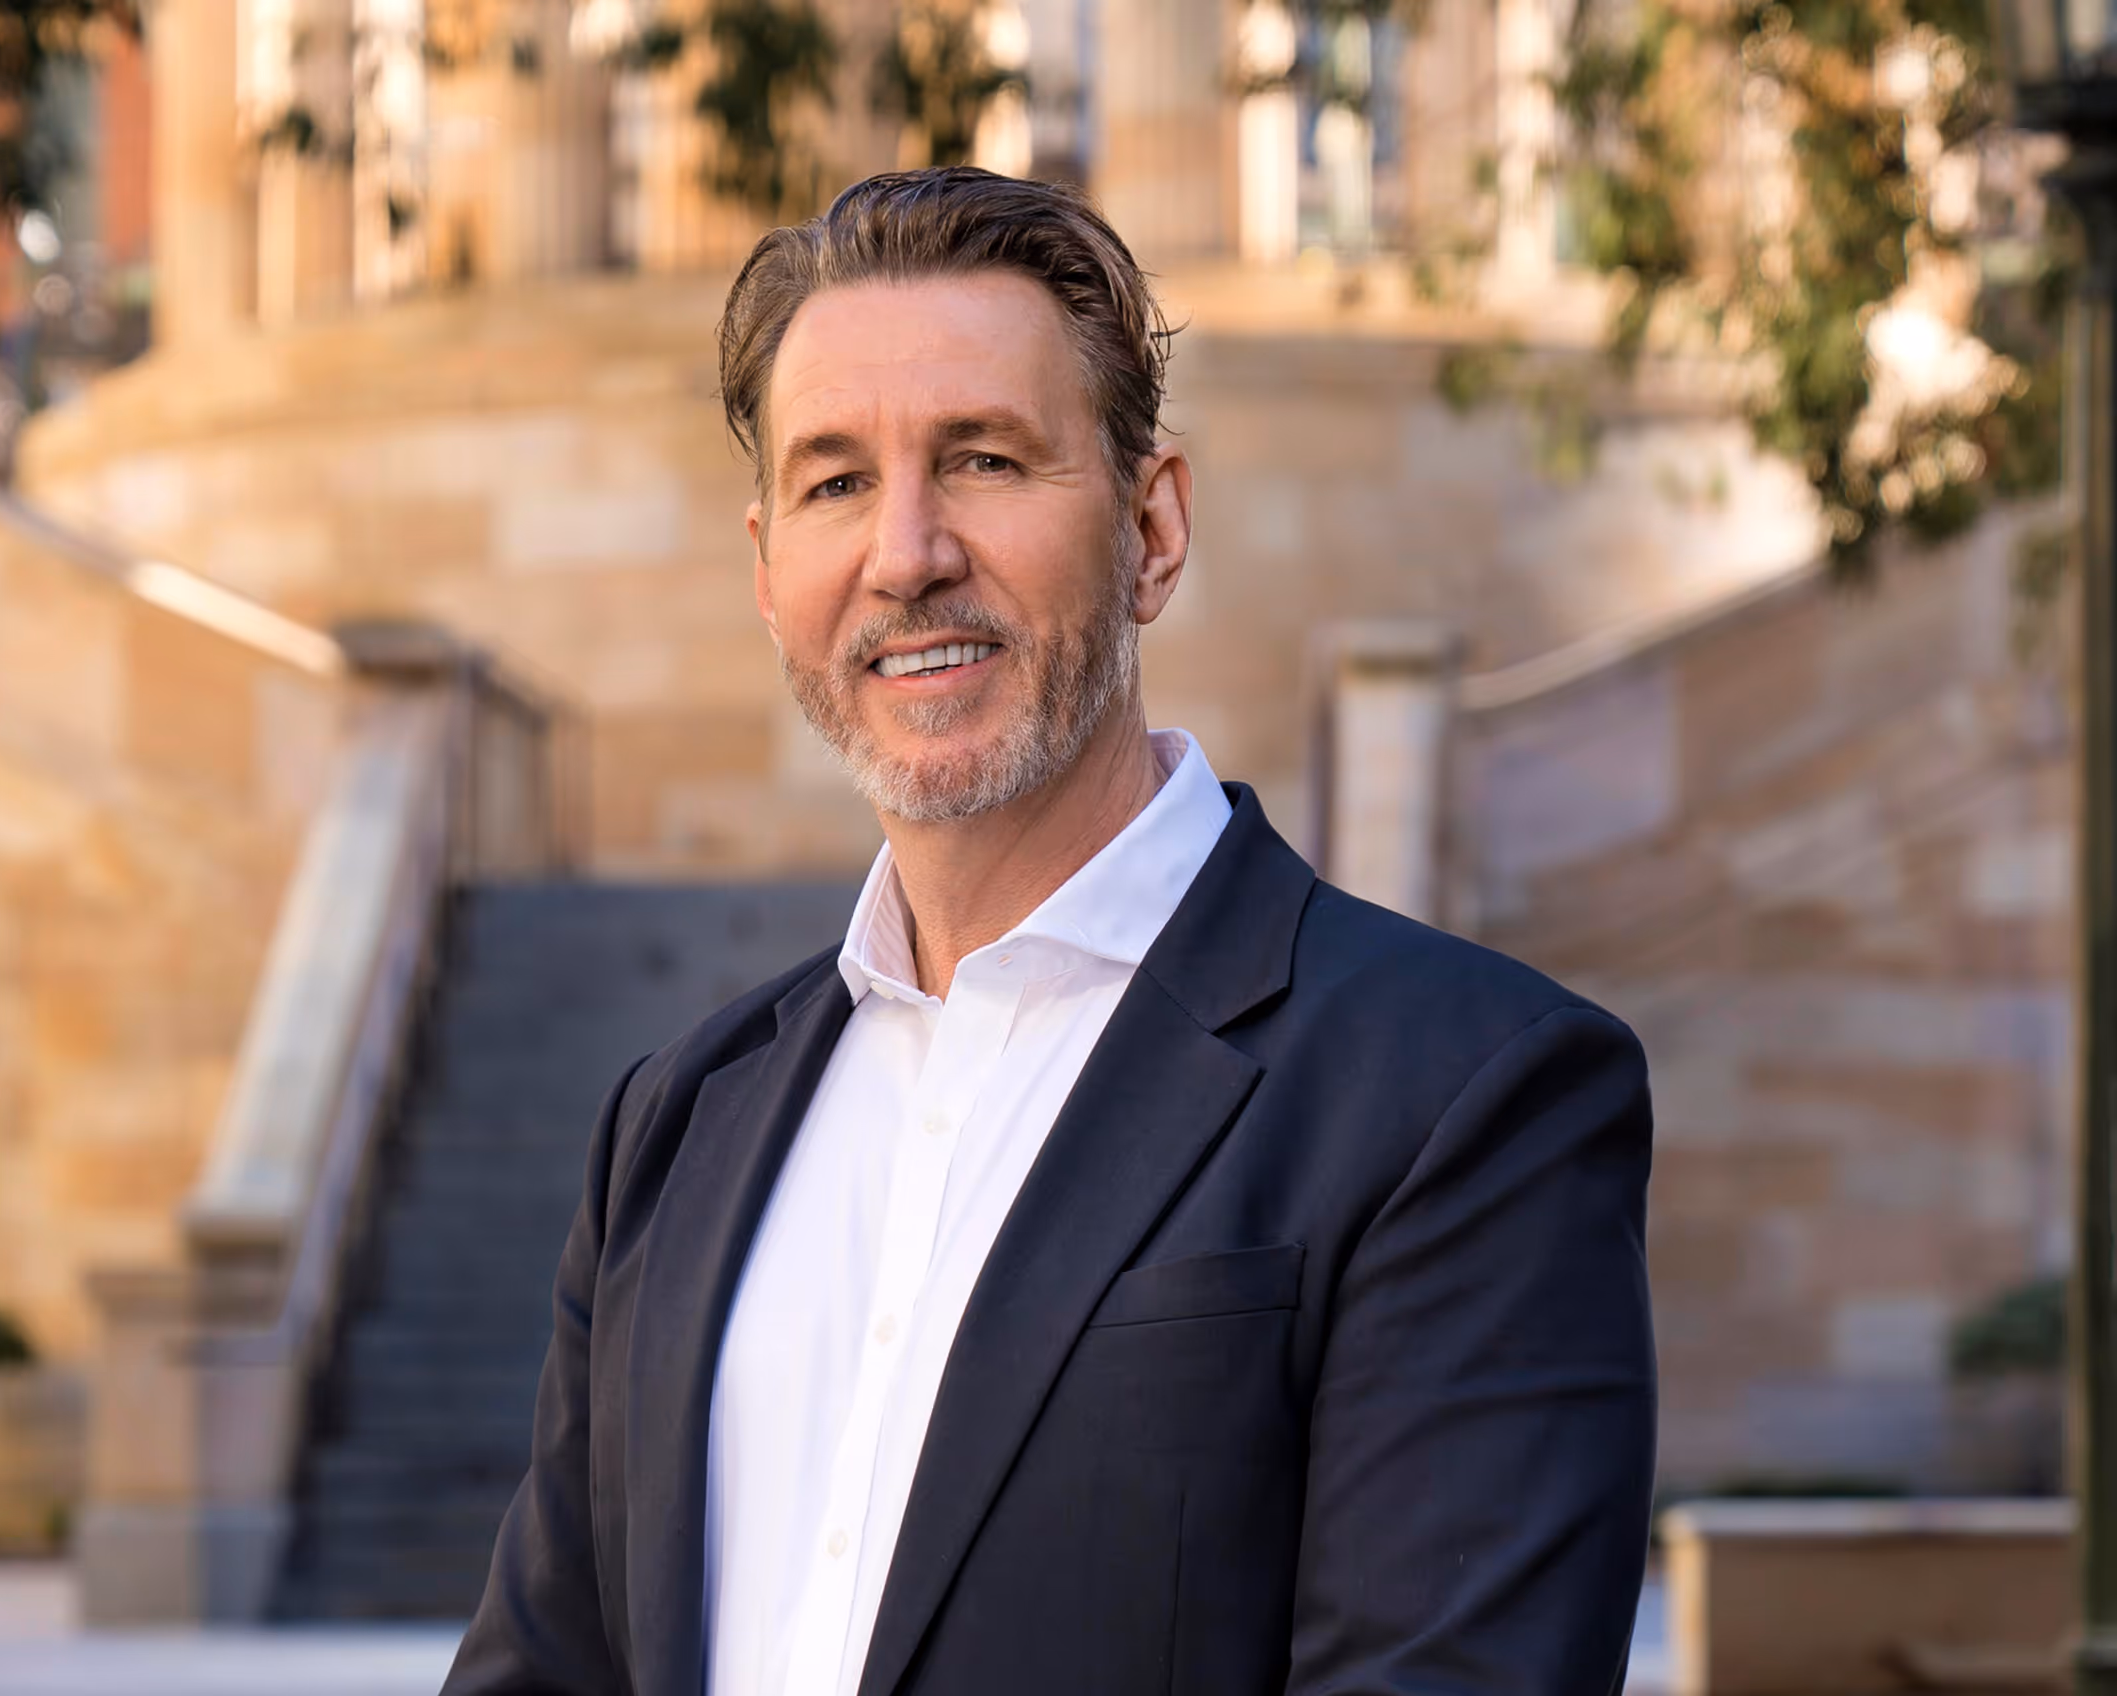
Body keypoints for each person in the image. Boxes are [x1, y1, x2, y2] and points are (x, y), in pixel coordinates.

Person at [444, 166, 1656, 1696]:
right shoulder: (676, 1129)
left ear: (1151, 529)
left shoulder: (1467, 1097)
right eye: (835, 482)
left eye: (985, 461)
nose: (906, 552)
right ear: (768, 576)